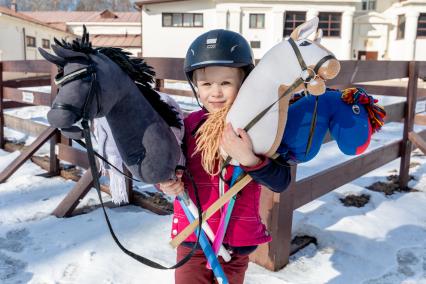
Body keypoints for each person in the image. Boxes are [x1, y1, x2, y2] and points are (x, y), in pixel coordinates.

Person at [158, 29, 291, 284]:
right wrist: (166, 182)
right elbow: (166, 165)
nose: (216, 92)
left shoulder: (257, 128)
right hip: (193, 236)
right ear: (195, 86)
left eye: (226, 83)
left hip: (237, 241)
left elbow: (280, 181)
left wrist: (249, 159)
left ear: (244, 83)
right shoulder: (187, 126)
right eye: (207, 84)